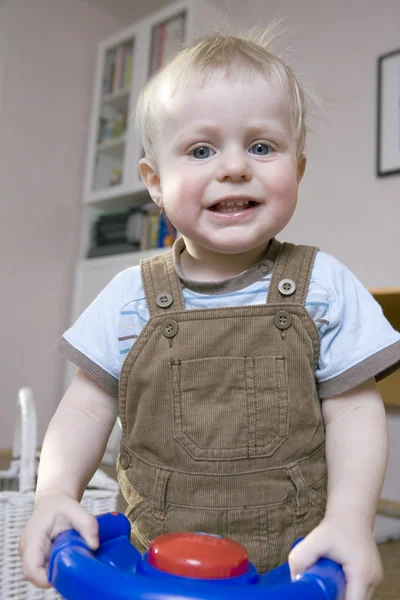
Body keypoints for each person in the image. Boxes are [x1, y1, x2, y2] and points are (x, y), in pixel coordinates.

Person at [20, 29, 400, 600]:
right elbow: (84, 408)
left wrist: (351, 522)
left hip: (290, 569)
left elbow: (354, 414)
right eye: (201, 150)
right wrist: (53, 494)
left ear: (297, 170)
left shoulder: (325, 287)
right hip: (150, 568)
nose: (234, 168)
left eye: (261, 147)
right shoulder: (128, 297)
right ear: (155, 182)